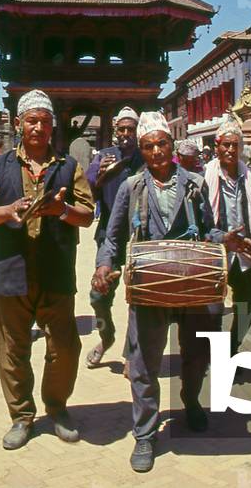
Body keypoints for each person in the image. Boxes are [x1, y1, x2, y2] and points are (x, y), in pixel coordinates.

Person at [91, 111, 251, 473]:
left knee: (196, 354)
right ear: (144, 152)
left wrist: (223, 238)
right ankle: (145, 434)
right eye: (149, 146)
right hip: (150, 285)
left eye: (162, 143)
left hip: (191, 282)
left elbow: (209, 231)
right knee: (144, 362)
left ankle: (190, 401)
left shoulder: (195, 183)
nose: (156, 151)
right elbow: (114, 237)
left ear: (171, 146)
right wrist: (104, 265)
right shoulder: (131, 187)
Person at [0, 89, 94, 451]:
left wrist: (63, 211)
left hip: (56, 269)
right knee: (13, 350)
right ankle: (22, 416)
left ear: (53, 125)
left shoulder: (69, 167)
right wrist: (8, 211)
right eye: (31, 121)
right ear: (18, 125)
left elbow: (87, 216)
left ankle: (56, 407)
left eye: (44, 120)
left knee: (65, 348)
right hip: (11, 270)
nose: (38, 127)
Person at [83, 106, 142, 368]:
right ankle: (106, 337)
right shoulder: (104, 156)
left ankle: (132, 353)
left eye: (131, 129)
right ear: (115, 131)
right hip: (110, 235)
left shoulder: (147, 157)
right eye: (122, 129)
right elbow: (86, 193)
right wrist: (98, 174)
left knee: (139, 299)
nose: (126, 134)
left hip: (142, 239)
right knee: (99, 296)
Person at [204, 120, 251, 356]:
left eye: (235, 145)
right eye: (226, 145)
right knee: (211, 310)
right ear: (217, 146)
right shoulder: (205, 177)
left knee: (247, 307)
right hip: (214, 251)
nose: (231, 150)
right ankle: (209, 353)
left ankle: (231, 350)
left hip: (242, 252)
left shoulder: (250, 178)